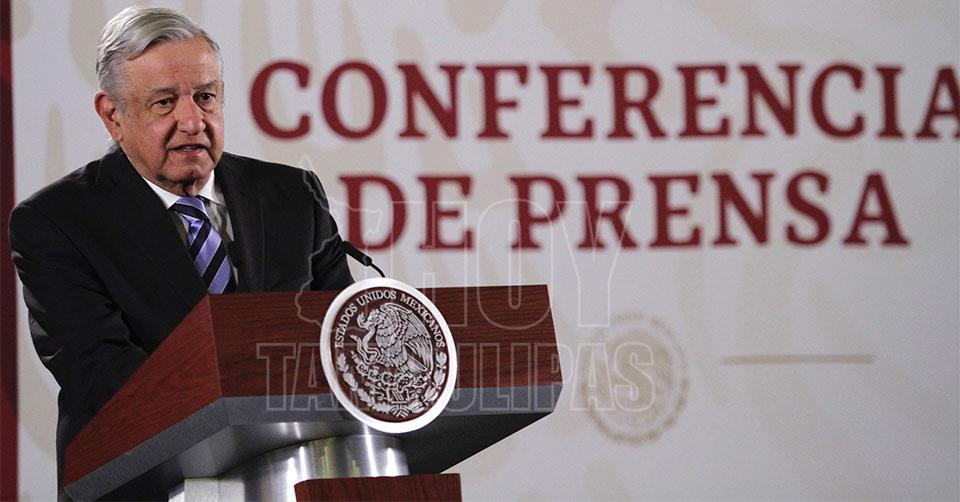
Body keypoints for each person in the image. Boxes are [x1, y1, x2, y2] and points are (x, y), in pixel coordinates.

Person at [8, 6, 353, 493]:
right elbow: (100, 373)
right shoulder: (56, 222)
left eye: (205, 97)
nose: (192, 121)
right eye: (165, 102)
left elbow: (345, 340)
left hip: (296, 477)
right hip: (146, 483)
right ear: (113, 116)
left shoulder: (293, 196)